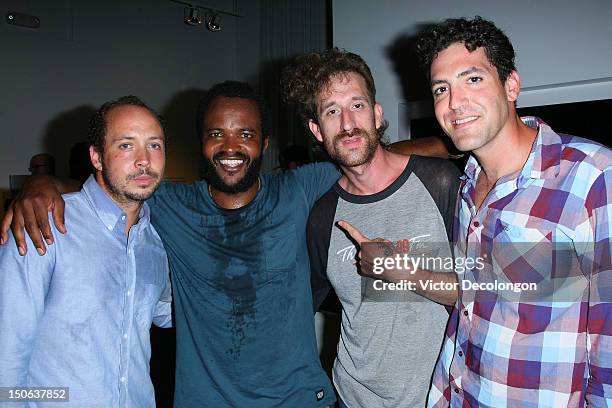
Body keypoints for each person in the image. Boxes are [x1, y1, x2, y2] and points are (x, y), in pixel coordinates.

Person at [1, 80, 451, 407]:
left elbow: (381, 157)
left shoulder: (298, 188)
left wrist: (463, 142)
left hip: (298, 400)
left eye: (246, 135)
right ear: (201, 142)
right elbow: (114, 187)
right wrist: (39, 186)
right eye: (217, 134)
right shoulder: (167, 203)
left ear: (265, 144)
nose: (231, 146)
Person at [413, 16, 611, 406]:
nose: (454, 103)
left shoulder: (592, 177)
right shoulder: (466, 188)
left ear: (511, 85)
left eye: (473, 79)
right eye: (441, 88)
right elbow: (473, 305)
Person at [282, 48, 460, 407]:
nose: (347, 123)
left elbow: (482, 292)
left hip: (437, 397)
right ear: (317, 130)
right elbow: (302, 306)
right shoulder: (322, 216)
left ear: (377, 115)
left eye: (357, 105)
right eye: (332, 111)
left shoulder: (439, 182)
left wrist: (400, 270)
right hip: (353, 397)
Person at [0, 95, 172, 407]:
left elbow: (166, 315)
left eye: (155, 144)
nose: (144, 159)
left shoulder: (157, 242)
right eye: (126, 145)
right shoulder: (43, 225)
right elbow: (5, 363)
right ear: (96, 157)